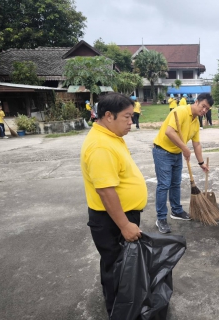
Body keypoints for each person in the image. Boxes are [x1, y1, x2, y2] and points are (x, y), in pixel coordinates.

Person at [80, 93, 147, 316]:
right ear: (108, 116)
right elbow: (105, 191)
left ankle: (122, 305)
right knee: (118, 268)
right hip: (113, 220)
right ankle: (120, 312)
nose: (131, 122)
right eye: (127, 117)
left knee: (118, 266)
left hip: (119, 216)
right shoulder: (101, 146)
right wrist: (125, 225)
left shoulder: (110, 136)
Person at [152, 93, 212, 233]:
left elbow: (196, 144)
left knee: (175, 183)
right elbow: (169, 132)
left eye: (207, 109)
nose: (204, 110)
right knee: (164, 185)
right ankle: (161, 218)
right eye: (203, 106)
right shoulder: (180, 111)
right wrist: (184, 148)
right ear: (196, 102)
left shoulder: (196, 122)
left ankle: (176, 211)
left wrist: (201, 162)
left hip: (176, 153)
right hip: (162, 151)